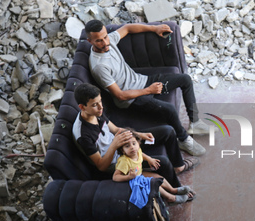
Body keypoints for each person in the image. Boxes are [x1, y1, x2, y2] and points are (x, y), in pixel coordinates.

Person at [85, 20, 209, 157]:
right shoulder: (99, 66)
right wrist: (149, 91)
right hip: (131, 99)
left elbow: (127, 28)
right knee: (169, 109)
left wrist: (154, 28)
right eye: (99, 41)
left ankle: (195, 122)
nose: (105, 43)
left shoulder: (109, 40)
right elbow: (120, 95)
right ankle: (183, 139)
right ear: (90, 41)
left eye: (105, 37)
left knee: (185, 79)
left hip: (142, 81)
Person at [73, 83, 197, 188]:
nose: (101, 107)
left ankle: (178, 167)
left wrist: (139, 135)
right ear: (82, 107)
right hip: (117, 162)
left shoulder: (96, 112)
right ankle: (178, 190)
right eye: (95, 104)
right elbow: (101, 166)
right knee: (163, 162)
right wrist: (115, 145)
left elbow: (116, 129)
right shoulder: (83, 135)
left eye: (100, 102)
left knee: (167, 131)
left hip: (122, 144)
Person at [113, 131, 195, 204]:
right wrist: (128, 177)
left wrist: (149, 159)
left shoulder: (136, 151)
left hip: (139, 175)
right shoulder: (124, 162)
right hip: (131, 181)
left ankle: (173, 190)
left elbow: (140, 154)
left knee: (159, 178)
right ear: (123, 150)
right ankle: (170, 198)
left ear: (138, 143)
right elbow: (115, 177)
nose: (132, 147)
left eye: (134, 143)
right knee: (154, 184)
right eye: (127, 146)